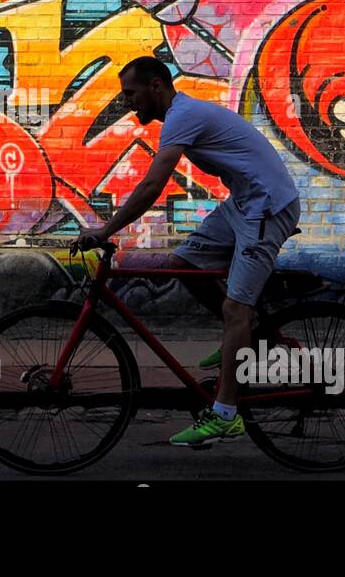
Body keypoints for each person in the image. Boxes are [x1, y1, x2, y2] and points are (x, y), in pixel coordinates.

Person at [75, 56, 301, 446]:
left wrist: (105, 229)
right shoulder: (183, 114)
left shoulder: (183, 116)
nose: (126, 102)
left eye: (131, 93)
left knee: (235, 310)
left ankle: (226, 415)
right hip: (246, 203)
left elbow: (152, 186)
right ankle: (253, 338)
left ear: (156, 87)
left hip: (266, 207)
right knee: (183, 262)